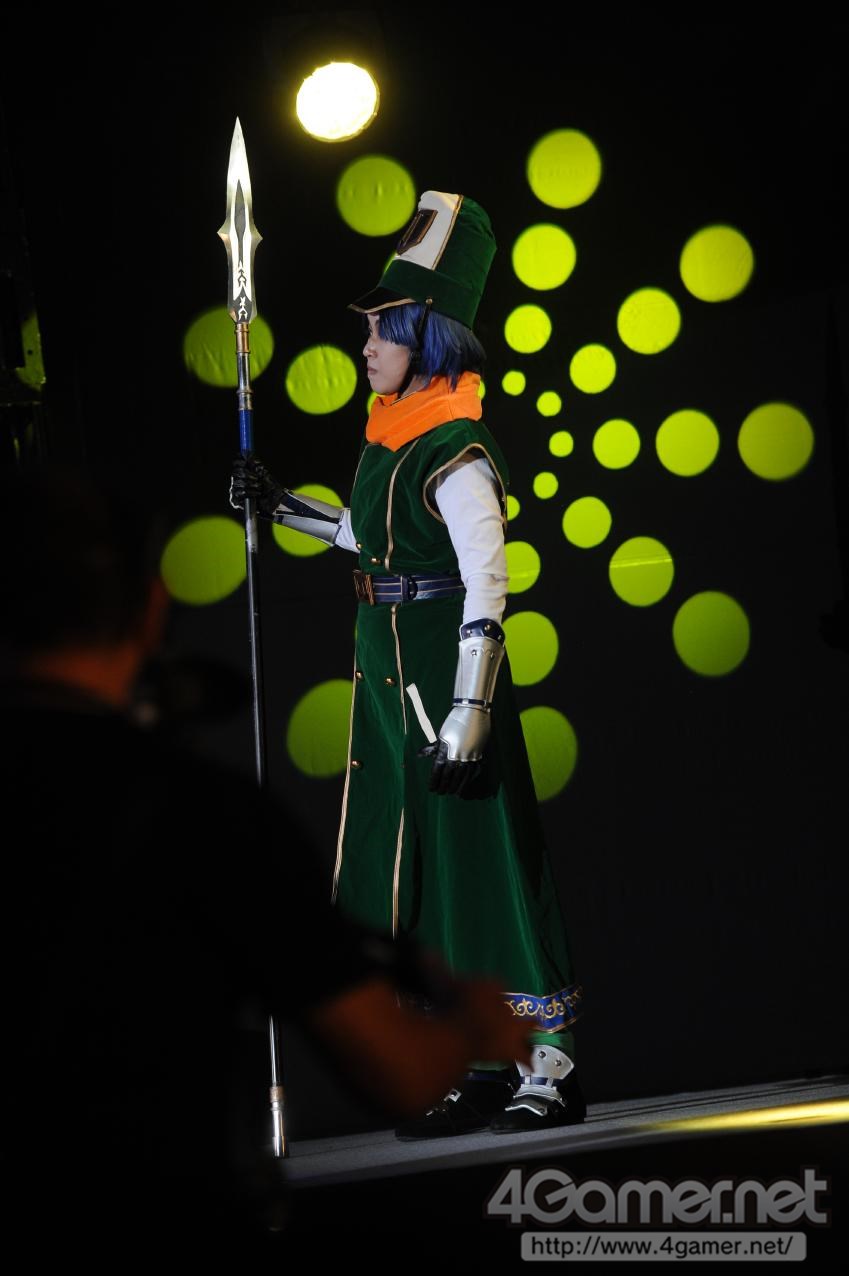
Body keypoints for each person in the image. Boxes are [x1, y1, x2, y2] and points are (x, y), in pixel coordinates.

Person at [0, 461, 529, 1260]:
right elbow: (395, 1070)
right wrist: (474, 1028)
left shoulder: (200, 813)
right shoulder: (203, 816)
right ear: (152, 608)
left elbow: (436, 558)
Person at [230, 190, 585, 1138]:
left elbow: (485, 580)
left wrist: (472, 707)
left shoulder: (457, 445)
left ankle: (546, 1062)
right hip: (386, 676)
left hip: (442, 675)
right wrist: (280, 505)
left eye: (381, 326)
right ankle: (474, 1056)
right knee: (420, 872)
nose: (366, 343)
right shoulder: (389, 435)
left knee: (485, 862)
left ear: (426, 332)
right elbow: (368, 537)